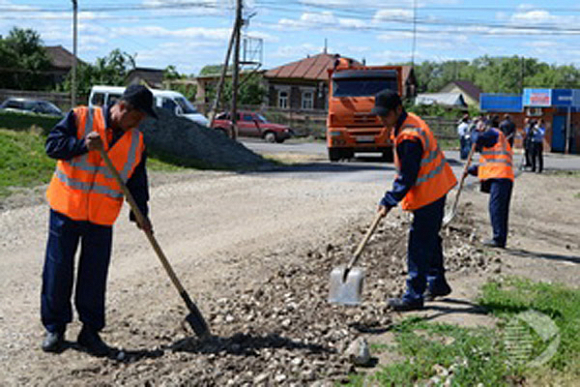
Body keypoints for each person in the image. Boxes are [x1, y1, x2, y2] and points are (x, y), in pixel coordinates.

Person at [41, 85, 157, 355]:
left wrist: (141, 213)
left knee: (94, 277)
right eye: (137, 117)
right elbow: (52, 146)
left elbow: (137, 181)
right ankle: (55, 329)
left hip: (101, 217)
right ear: (123, 108)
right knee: (58, 271)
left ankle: (90, 332)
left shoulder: (136, 141)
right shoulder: (81, 117)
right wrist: (82, 145)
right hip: (66, 210)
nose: (139, 124)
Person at [373, 90, 458, 311]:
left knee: (419, 244)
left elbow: (407, 176)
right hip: (436, 188)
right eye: (379, 115)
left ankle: (413, 296)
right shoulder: (408, 123)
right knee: (430, 238)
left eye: (385, 115)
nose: (381, 120)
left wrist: (389, 200)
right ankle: (437, 283)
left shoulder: (409, 136)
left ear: (398, 110)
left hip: (430, 192)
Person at [467, 116, 514, 248]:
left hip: (500, 177)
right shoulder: (494, 140)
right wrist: (470, 170)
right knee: (499, 209)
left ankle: (498, 239)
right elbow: (488, 163)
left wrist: (476, 130)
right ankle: (500, 238)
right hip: (502, 177)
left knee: (497, 209)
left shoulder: (494, 133)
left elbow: (477, 139)